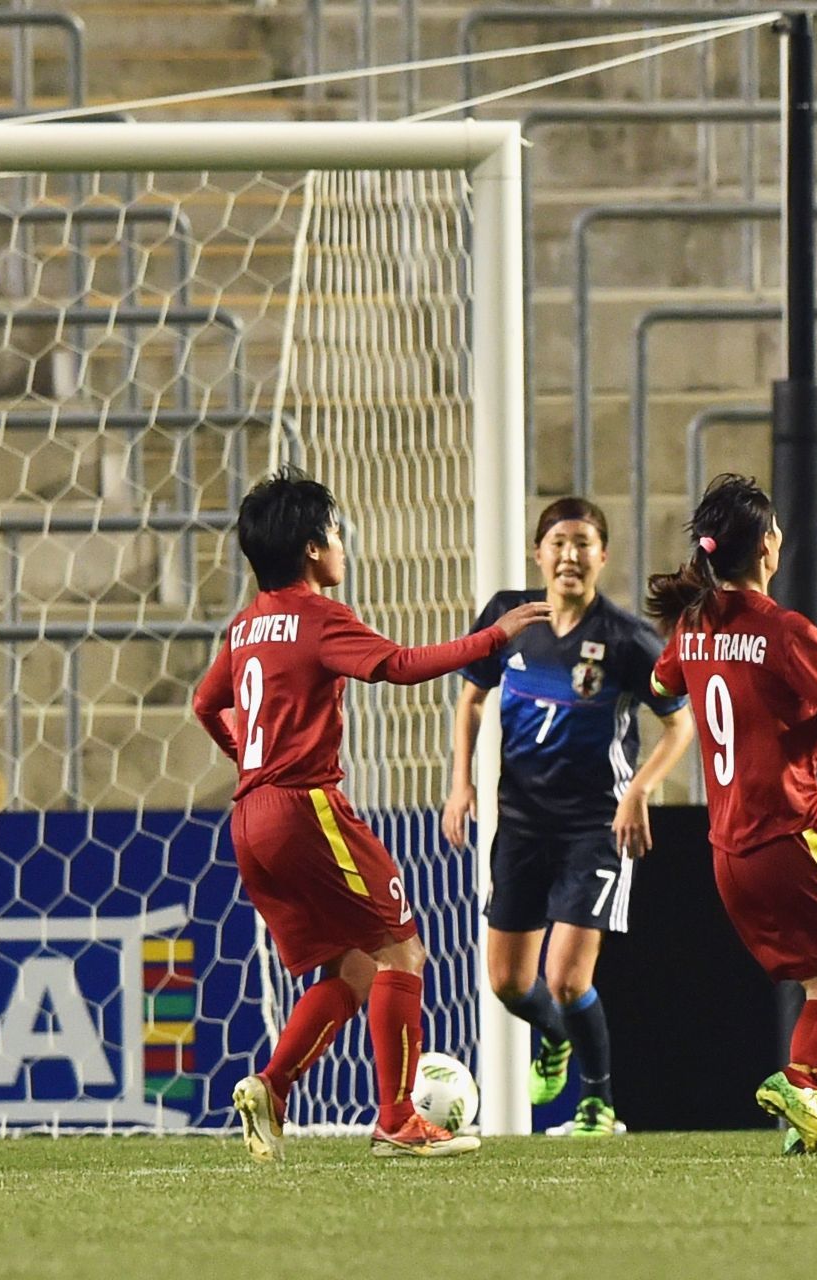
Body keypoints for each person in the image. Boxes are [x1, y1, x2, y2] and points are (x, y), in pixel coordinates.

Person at [192, 467, 550, 1161]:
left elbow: (207, 705)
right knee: (402, 949)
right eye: (334, 532)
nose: (342, 544)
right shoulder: (318, 616)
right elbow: (399, 664)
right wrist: (493, 637)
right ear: (310, 550)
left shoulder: (245, 628)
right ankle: (396, 1118)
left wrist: (246, 758)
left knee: (354, 969)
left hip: (250, 817)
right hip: (307, 808)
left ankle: (273, 1086)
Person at [645, 474, 817, 1158]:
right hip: (790, 837)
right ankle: (800, 1082)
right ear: (769, 544)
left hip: (728, 850)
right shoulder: (782, 630)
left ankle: (811, 1125)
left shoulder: (691, 626)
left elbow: (659, 686)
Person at [443, 497, 696, 1138]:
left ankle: (598, 1106)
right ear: (538, 553)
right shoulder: (508, 616)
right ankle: (554, 1039)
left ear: (602, 557)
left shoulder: (627, 640)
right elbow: (471, 698)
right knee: (506, 983)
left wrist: (639, 791)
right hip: (520, 823)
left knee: (564, 977)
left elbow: (679, 724)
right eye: (558, 542)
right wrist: (460, 783)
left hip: (595, 828)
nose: (570, 555)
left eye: (584, 543)